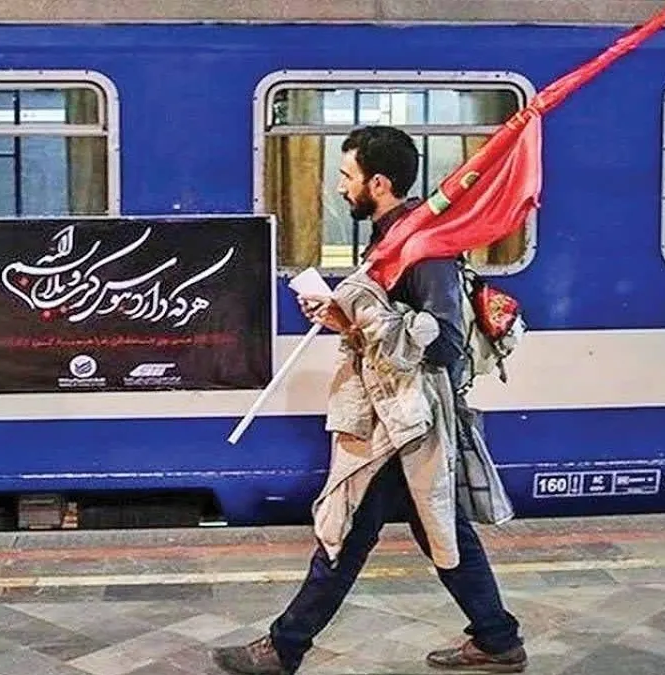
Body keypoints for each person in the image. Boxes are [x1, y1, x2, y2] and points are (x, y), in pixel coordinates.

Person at [211, 126, 525, 675]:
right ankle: (497, 640)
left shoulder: (422, 246)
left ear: (378, 183)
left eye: (346, 176)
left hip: (405, 423)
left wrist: (362, 318)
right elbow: (386, 328)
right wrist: (342, 318)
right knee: (437, 529)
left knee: (350, 530)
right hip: (393, 415)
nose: (340, 188)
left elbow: (443, 342)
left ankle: (284, 648)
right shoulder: (390, 238)